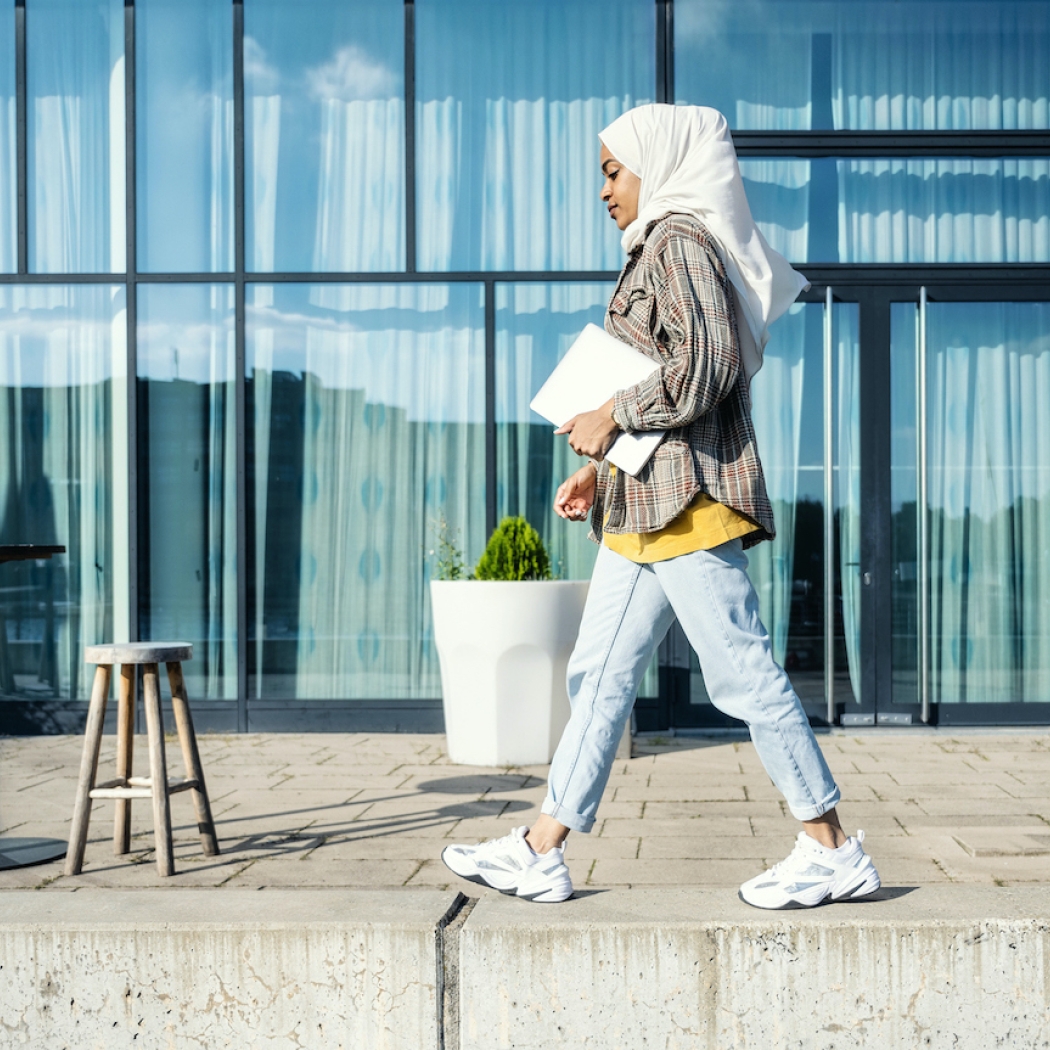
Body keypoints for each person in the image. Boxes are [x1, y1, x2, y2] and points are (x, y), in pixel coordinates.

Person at [441, 104, 880, 909]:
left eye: (613, 171)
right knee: (597, 675)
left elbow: (708, 365)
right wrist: (601, 472)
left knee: (742, 675)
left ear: (659, 163)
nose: (603, 190)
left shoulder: (679, 241)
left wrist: (613, 415)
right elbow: (663, 384)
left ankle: (832, 847)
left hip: (688, 504)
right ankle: (543, 848)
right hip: (642, 506)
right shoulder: (653, 249)